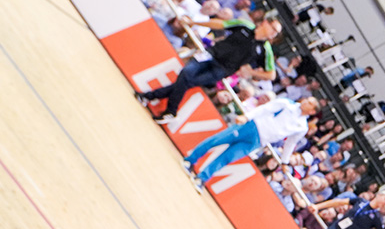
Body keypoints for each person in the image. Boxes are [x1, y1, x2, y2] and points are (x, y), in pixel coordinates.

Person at [135, 16, 281, 111]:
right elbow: (220, 24)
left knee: (187, 81)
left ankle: (150, 97)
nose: (274, 33)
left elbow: (271, 74)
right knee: (186, 74)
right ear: (265, 23)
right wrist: (195, 22)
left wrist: (252, 72)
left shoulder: (265, 49)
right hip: (211, 54)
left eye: (276, 32)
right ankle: (168, 109)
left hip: (222, 69)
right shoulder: (245, 25)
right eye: (273, 28)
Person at [183, 92, 316, 185]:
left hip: (259, 141)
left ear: (312, 111)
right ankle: (190, 160)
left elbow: (291, 143)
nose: (305, 101)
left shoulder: (302, 127)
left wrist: (284, 162)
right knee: (216, 141)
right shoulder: (286, 103)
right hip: (251, 126)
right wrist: (247, 117)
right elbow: (264, 109)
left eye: (309, 103)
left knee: (228, 157)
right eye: (307, 99)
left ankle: (202, 177)